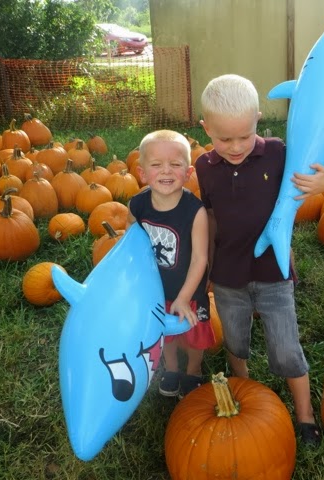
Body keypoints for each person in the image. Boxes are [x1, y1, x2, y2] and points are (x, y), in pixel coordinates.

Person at [195, 74, 324, 445]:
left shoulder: (278, 153)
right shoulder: (204, 167)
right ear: (206, 129)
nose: (235, 147)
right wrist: (207, 266)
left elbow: (318, 174)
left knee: (286, 346)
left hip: (273, 270)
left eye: (244, 136)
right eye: (224, 139)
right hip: (228, 274)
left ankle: (305, 414)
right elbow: (210, 216)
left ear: (258, 119)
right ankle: (245, 390)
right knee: (235, 340)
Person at [127, 129, 215, 398]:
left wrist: (184, 297)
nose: (166, 171)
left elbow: (200, 258)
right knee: (165, 333)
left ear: (188, 173)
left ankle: (193, 370)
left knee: (194, 335)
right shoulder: (137, 206)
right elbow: (132, 246)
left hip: (190, 290)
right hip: (156, 290)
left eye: (175, 164)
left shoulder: (195, 211)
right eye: (156, 164)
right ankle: (172, 368)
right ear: (142, 173)